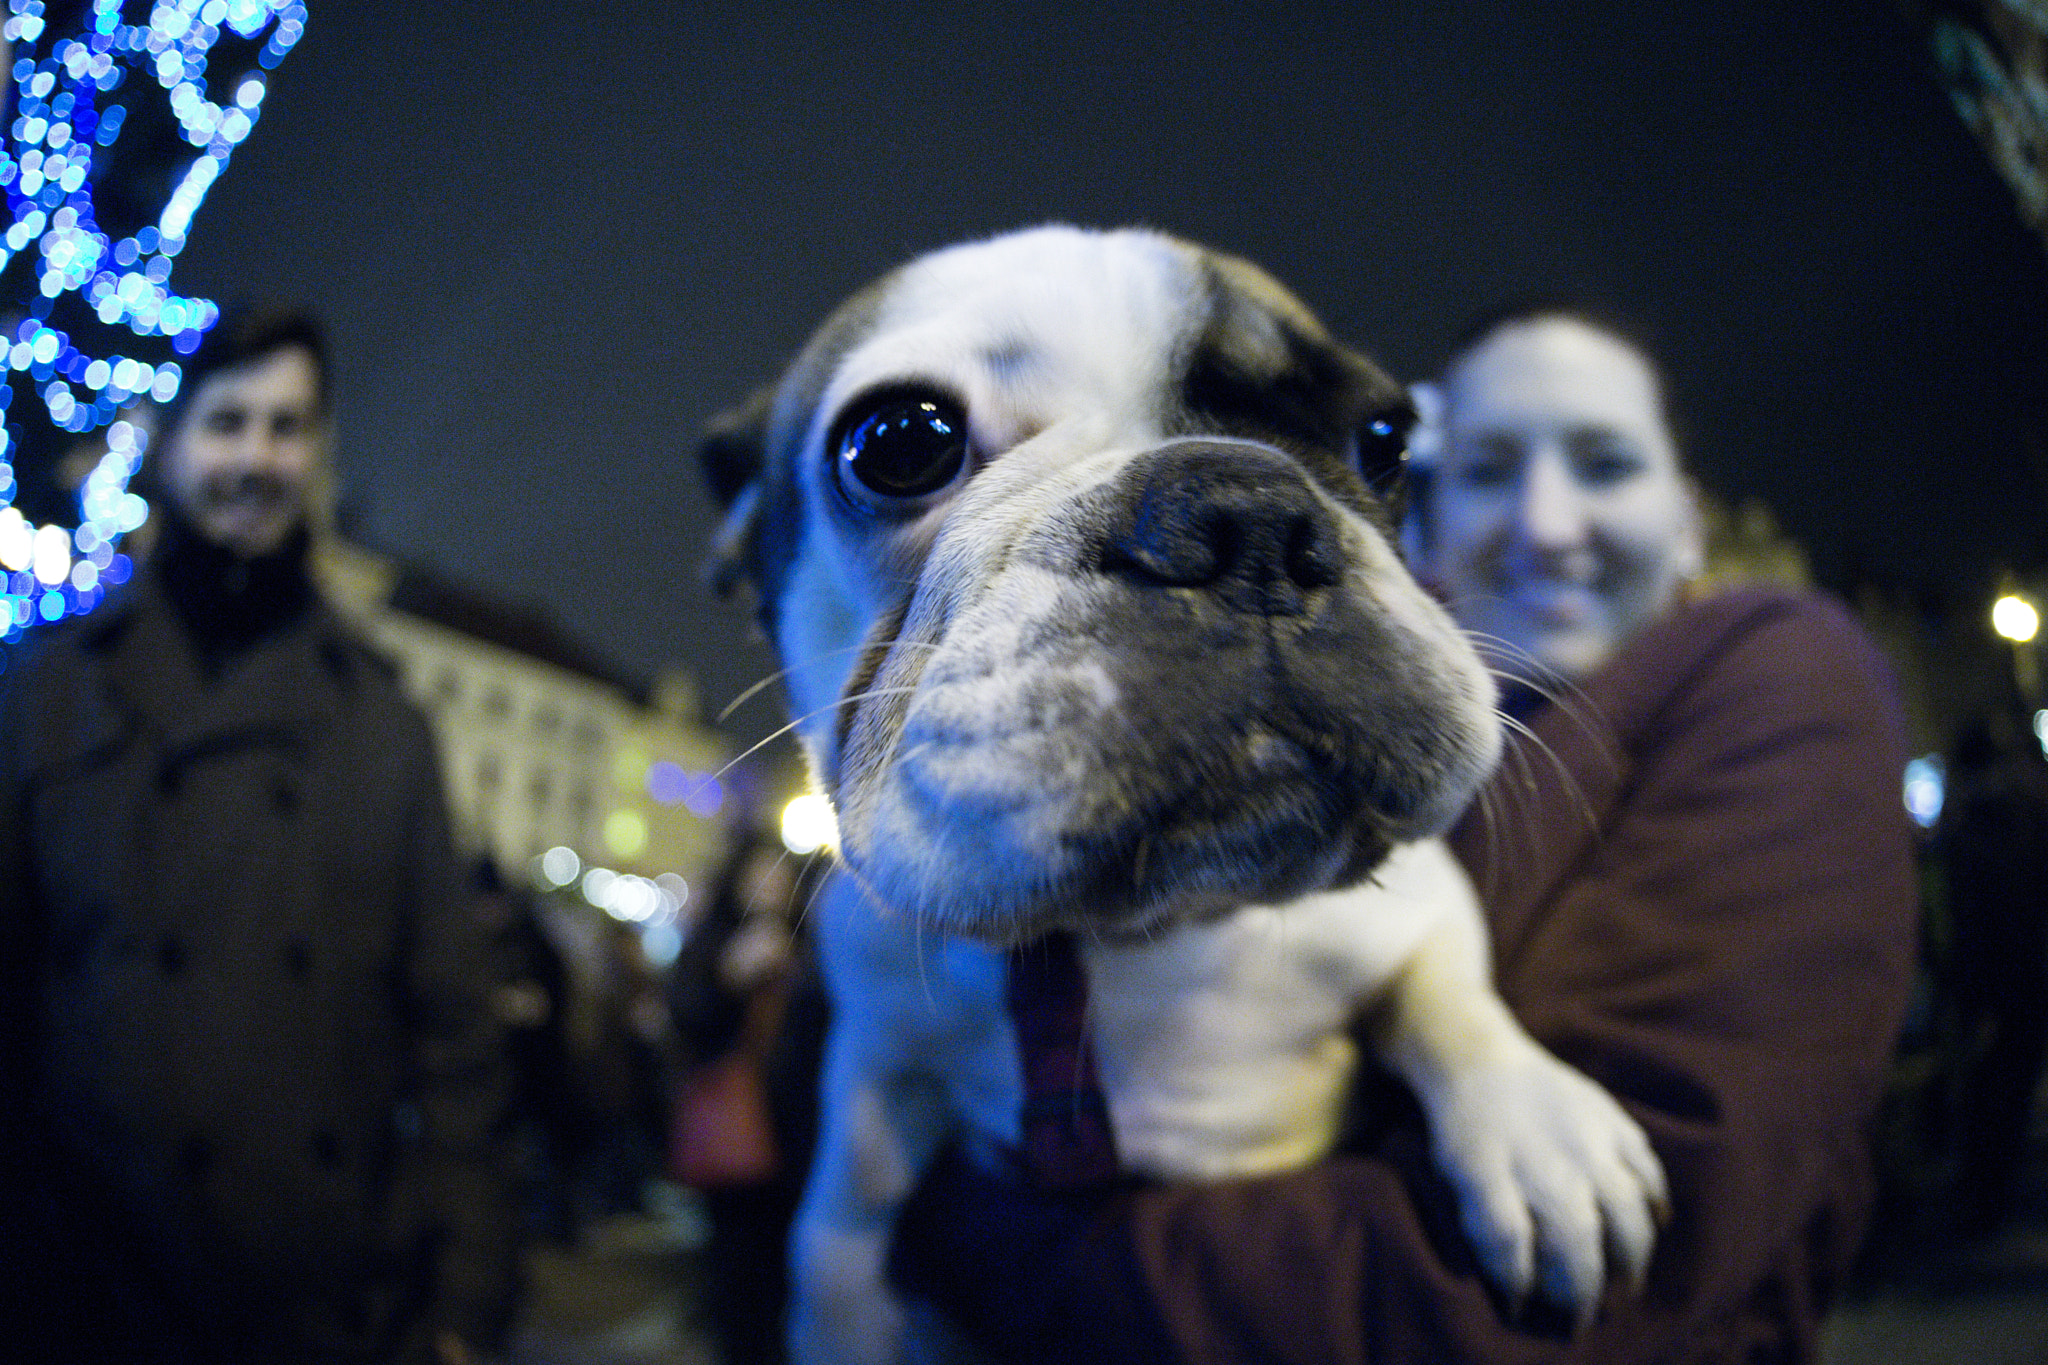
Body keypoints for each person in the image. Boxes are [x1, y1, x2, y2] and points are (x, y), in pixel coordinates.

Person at [884, 304, 1919, 1363]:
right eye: (1481, 470)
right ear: (1414, 509)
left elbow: (1610, 1260)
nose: (1545, 521)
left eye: (1604, 465)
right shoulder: (1377, 710)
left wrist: (973, 1241)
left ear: (1688, 520)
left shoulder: (1771, 666)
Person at [0, 308, 519, 1364]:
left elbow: (459, 1045)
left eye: (287, 428)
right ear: (174, 442)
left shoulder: (384, 725)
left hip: (320, 1310)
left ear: (318, 453)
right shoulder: (49, 691)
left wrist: (463, 1309)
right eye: (228, 422)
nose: (257, 458)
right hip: (77, 1292)